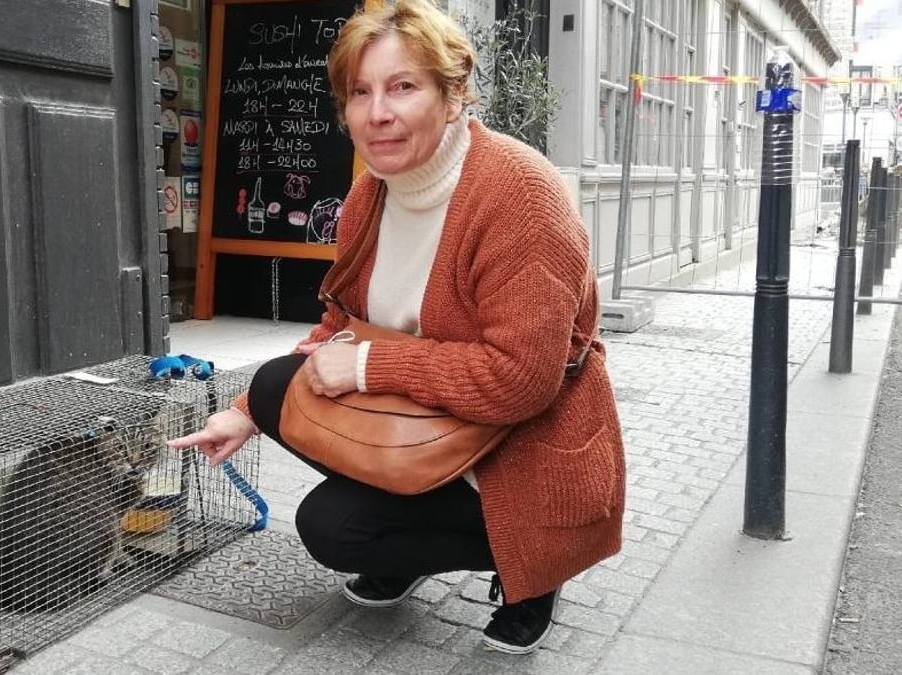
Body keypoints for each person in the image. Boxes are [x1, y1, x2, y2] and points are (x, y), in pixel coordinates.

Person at [169, 0, 624, 654]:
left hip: (515, 442)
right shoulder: (369, 194)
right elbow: (341, 320)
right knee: (274, 386)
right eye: (360, 91)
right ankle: (407, 525)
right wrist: (243, 412)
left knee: (332, 527)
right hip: (424, 414)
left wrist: (365, 367)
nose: (377, 111)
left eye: (403, 86)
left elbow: (522, 382)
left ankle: (530, 563)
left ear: (452, 94)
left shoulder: (520, 194)